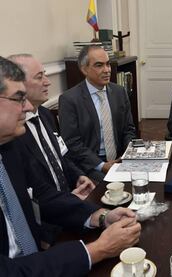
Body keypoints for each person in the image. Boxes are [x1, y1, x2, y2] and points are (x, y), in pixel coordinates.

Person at [0, 57, 141, 276]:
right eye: (19, 98)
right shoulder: (13, 143)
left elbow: (42, 194)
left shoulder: (6, 151)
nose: (27, 106)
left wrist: (101, 216)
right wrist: (98, 250)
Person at [9, 54, 95, 200]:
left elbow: (61, 155)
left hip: (70, 196)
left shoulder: (45, 114)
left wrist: (78, 176)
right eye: (39, 77)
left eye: (45, 75)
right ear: (18, 85)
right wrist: (67, 202)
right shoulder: (12, 131)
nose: (47, 82)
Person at [59, 45, 136, 182]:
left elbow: (128, 129)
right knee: (112, 188)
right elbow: (72, 143)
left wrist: (127, 156)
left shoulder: (119, 92)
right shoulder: (70, 100)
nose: (107, 70)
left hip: (120, 158)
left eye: (108, 64)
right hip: (90, 164)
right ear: (84, 69)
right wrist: (102, 165)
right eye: (99, 65)